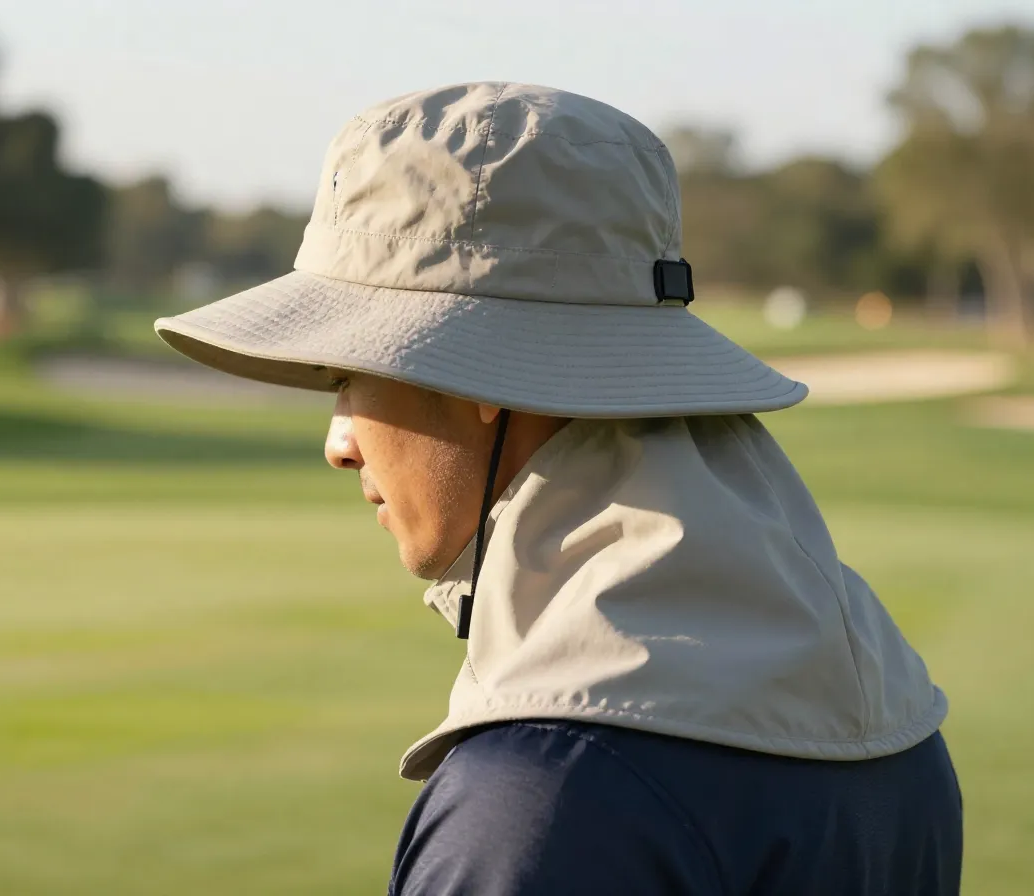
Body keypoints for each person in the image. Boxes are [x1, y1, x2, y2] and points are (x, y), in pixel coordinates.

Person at [155, 82, 962, 895]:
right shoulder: (891, 719)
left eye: (351, 375)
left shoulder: (543, 801)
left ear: (474, 372)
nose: (338, 442)